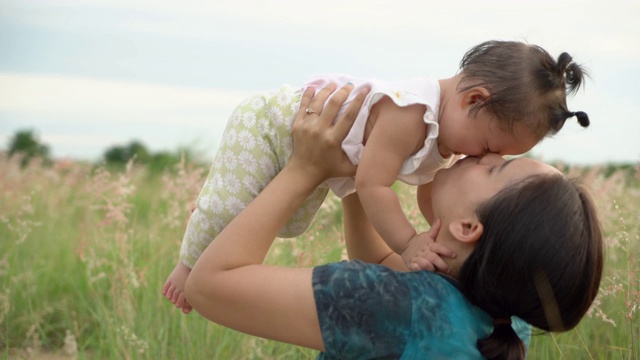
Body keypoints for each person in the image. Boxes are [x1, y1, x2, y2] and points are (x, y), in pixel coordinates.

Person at [164, 40, 591, 313]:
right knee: (228, 206)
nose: (475, 157)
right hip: (270, 126)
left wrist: (422, 235)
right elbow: (370, 184)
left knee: (289, 224)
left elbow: (410, 193)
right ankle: (188, 262)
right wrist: (408, 242)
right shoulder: (411, 115)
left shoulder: (442, 136)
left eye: (492, 160)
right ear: (472, 99)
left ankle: (212, 231)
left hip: (311, 153)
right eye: (487, 150)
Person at [184, 84, 604, 359]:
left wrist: (305, 168)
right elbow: (382, 259)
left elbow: (209, 287)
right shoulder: (503, 321)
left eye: (497, 169)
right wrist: (360, 175)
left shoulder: (397, 308)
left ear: (468, 228)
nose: (487, 155)